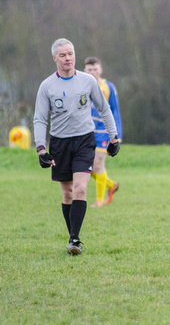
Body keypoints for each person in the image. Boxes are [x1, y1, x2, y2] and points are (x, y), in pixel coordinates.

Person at [34, 38, 120, 255]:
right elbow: (40, 119)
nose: (67, 58)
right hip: (60, 143)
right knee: (67, 192)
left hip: (85, 140)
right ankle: (72, 235)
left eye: (70, 54)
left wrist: (114, 137)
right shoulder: (47, 86)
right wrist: (41, 149)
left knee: (80, 188)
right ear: (55, 58)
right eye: (62, 55)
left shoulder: (87, 81)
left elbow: (104, 108)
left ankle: (75, 239)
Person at [84, 57, 122, 208]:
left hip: (104, 132)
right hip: (87, 132)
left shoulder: (108, 87)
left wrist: (117, 134)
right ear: (84, 70)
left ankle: (99, 200)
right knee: (88, 167)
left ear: (100, 70)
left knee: (98, 164)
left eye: (95, 69)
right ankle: (111, 185)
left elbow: (115, 110)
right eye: (89, 69)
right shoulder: (82, 85)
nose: (92, 72)